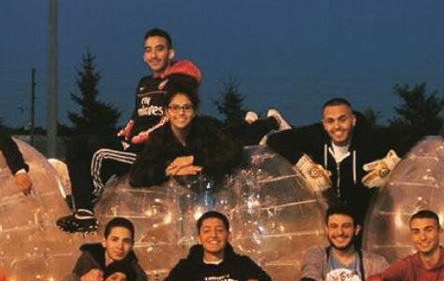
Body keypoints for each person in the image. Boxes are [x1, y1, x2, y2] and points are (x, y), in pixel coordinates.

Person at [58, 28, 288, 233]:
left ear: (170, 53)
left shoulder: (178, 80)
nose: (154, 55)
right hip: (137, 141)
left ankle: (89, 204)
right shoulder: (144, 83)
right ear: (143, 55)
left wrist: (148, 134)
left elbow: (182, 98)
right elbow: (138, 115)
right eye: (148, 50)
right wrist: (127, 130)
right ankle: (255, 124)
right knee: (77, 143)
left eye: (160, 49)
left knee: (98, 152)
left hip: (153, 146)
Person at [266, 97, 399, 227]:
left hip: (367, 221)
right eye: (330, 121)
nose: (337, 126)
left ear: (353, 120)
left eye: (343, 120)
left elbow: (414, 135)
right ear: (324, 124)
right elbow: (276, 140)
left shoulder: (368, 138)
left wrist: (390, 163)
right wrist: (305, 165)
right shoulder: (318, 136)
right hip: (331, 222)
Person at [129, 85, 245, 188]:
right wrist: (169, 170)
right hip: (175, 200)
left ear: (194, 111)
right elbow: (136, 176)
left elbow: (235, 150)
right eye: (174, 108)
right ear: (166, 112)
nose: (181, 113)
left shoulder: (208, 127)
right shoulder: (159, 136)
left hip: (215, 192)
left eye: (187, 108)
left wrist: (193, 159)